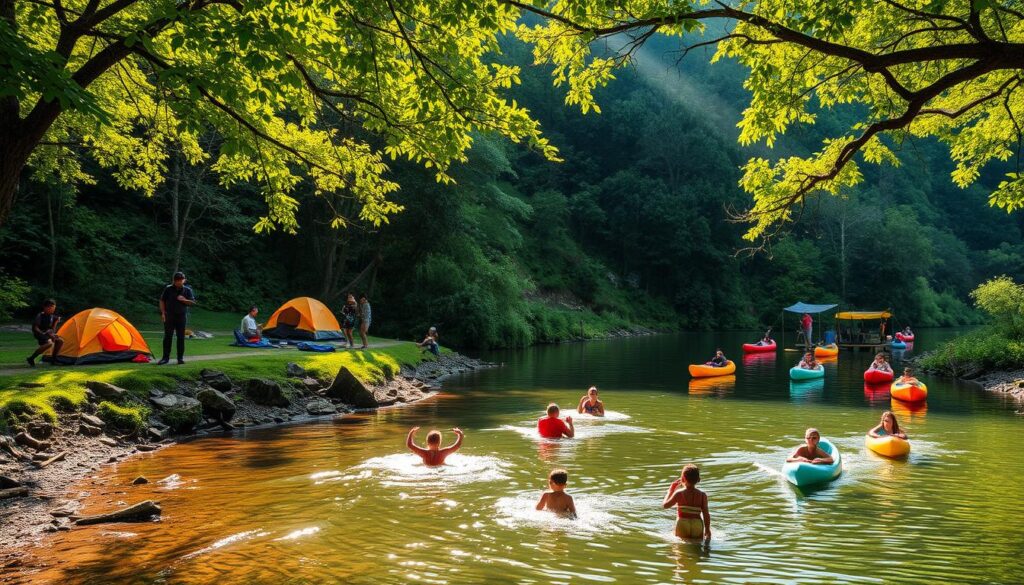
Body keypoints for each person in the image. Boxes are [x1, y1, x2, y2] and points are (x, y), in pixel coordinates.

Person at [662, 464, 712, 541]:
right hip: (697, 524)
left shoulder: (679, 493)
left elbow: (665, 505)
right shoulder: (702, 495)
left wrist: (670, 491)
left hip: (682, 523)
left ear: (683, 478)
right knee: (698, 548)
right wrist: (707, 529)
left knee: (678, 549)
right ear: (699, 479)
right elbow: (706, 514)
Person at [158, 271, 196, 365]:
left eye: (181, 280)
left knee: (180, 337)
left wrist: (184, 300)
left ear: (184, 280)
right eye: (177, 280)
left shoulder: (187, 290)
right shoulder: (168, 289)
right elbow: (162, 300)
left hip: (181, 316)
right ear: (174, 280)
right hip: (169, 316)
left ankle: (180, 358)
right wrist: (163, 313)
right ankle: (165, 358)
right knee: (168, 337)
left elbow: (192, 303)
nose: (179, 282)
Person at [26, 299, 62, 367]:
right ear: (46, 307)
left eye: (54, 308)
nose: (53, 310)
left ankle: (53, 360)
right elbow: (35, 327)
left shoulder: (52, 316)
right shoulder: (40, 316)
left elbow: (53, 329)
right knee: (49, 343)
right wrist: (43, 333)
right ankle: (31, 358)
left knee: (60, 341)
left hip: (48, 334)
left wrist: (53, 333)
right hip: (39, 333)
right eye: (52, 308)